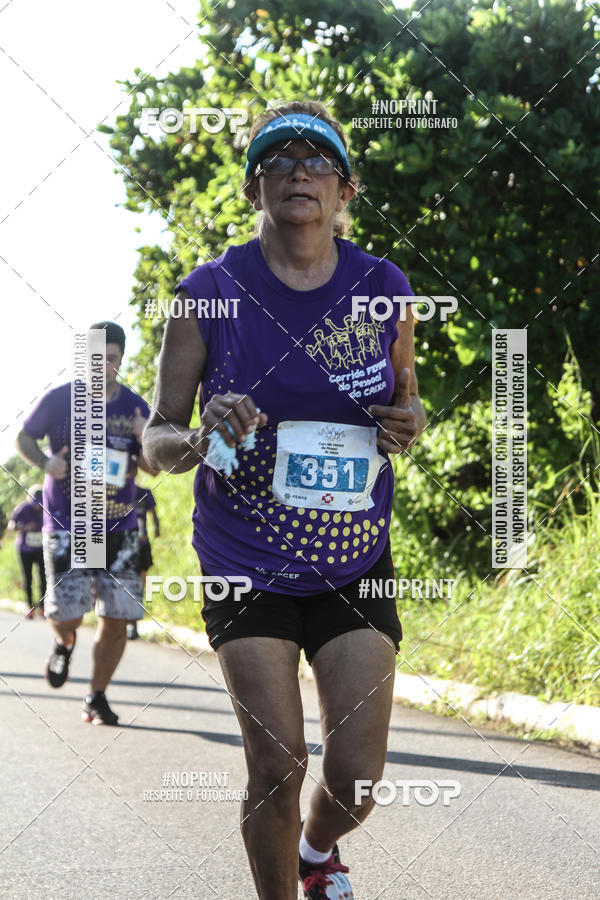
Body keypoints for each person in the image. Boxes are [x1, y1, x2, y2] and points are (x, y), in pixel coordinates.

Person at [142, 100, 426, 900]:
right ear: (252, 186)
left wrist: (409, 424)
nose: (300, 172)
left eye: (318, 160)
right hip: (246, 558)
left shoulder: (384, 287)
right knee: (277, 762)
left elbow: (409, 402)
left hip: (352, 557)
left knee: (357, 780)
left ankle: (315, 849)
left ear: (345, 189)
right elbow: (156, 442)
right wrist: (201, 437)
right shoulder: (207, 293)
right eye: (278, 159)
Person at [15, 321, 157, 725]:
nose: (102, 366)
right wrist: (46, 463)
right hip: (70, 523)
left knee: (117, 618)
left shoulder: (135, 406)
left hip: (118, 527)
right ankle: (64, 643)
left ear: (121, 359)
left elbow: (152, 468)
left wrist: (144, 437)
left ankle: (96, 695)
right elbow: (23, 438)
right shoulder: (60, 400)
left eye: (110, 359)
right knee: (68, 616)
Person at [126, 481, 160, 640]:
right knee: (126, 584)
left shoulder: (145, 493)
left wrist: (157, 528)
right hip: (126, 546)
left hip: (142, 546)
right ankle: (125, 620)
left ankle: (133, 622)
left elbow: (154, 515)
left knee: (140, 585)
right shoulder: (120, 493)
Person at [8, 486, 47, 618]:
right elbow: (11, 525)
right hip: (25, 549)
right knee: (28, 578)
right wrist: (24, 527)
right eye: (35, 503)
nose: (37, 507)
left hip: (41, 548)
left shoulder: (47, 508)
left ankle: (43, 607)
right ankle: (30, 607)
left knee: (44, 578)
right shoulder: (22, 508)